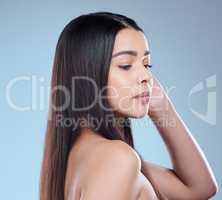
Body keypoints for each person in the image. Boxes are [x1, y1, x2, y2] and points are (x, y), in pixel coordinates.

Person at [40, 12, 218, 200]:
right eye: (126, 65)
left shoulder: (72, 159)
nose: (147, 77)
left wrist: (162, 107)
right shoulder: (116, 159)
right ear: (87, 75)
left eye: (147, 65)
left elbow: (199, 189)